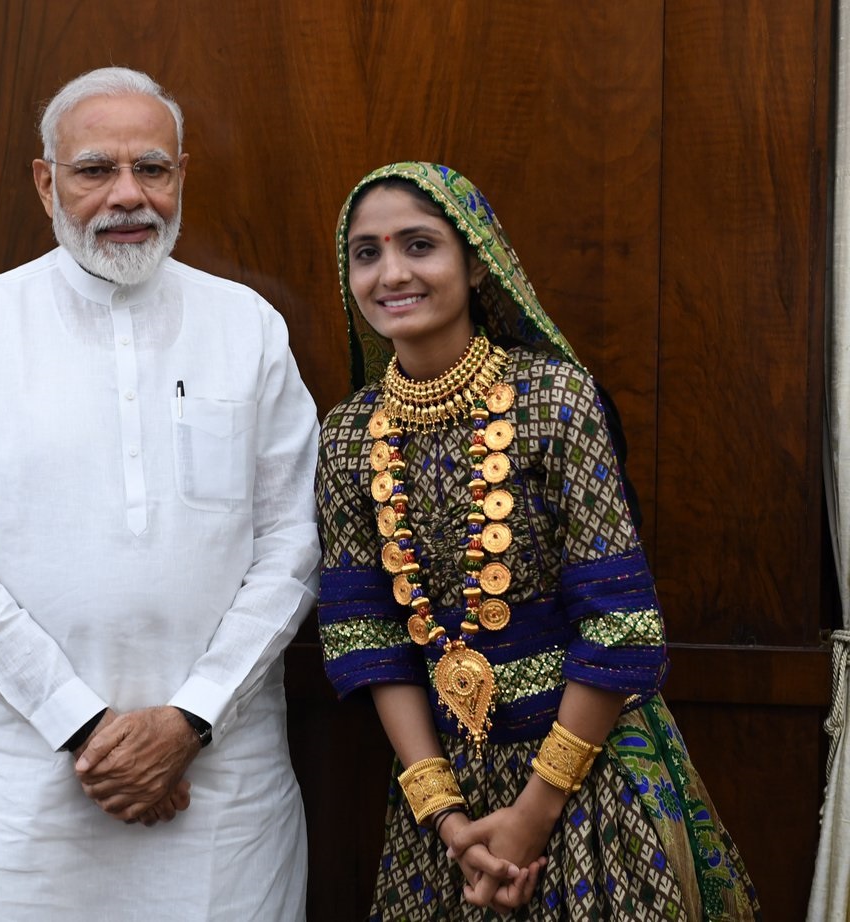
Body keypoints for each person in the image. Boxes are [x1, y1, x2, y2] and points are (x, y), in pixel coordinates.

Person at [0, 66, 319, 921]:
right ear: (47, 182)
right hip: (23, 789)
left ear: (181, 175)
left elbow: (295, 545)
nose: (129, 195)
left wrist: (187, 723)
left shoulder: (248, 328)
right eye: (96, 169)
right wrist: (88, 730)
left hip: (218, 782)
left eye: (152, 169)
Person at [316, 161, 760, 920]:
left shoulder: (553, 397)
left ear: (476, 259)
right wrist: (452, 823)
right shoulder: (349, 435)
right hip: (446, 799)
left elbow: (620, 627)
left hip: (590, 782)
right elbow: (366, 639)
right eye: (367, 252)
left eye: (419, 245)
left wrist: (531, 817)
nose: (391, 272)